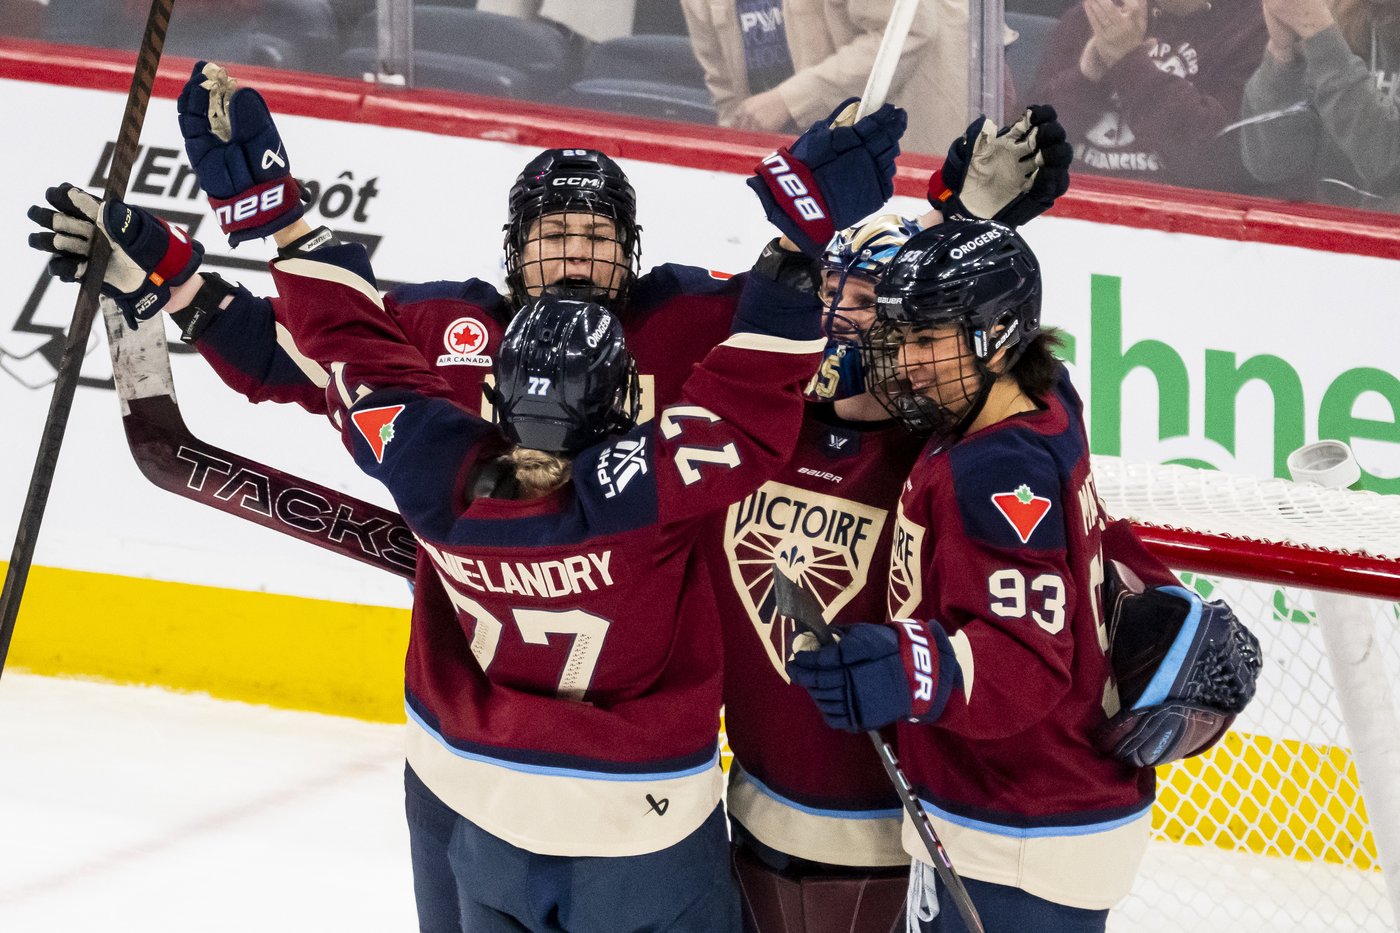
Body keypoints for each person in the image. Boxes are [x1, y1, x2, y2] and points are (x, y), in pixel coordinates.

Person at [783, 217, 1261, 931]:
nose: (906, 363)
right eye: (901, 337)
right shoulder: (1044, 398)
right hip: (1035, 812)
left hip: (1021, 831)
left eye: (926, 340)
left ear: (998, 335)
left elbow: (1023, 663)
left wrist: (901, 666)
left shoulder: (998, 470)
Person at [712, 108, 1074, 933]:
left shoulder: (949, 447)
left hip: (895, 842)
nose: (837, 315)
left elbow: (1039, 408)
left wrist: (974, 220)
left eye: (867, 299)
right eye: (830, 290)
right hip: (745, 816)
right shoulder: (751, 418)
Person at [680, 0, 982, 153]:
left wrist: (791, 100)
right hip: (804, 160)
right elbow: (725, 91)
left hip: (906, 141)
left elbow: (907, 31)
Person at [1028, 0, 1268, 190]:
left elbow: (1220, 164)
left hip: (1183, 230)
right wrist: (1087, 75)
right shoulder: (1093, 14)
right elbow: (1025, 152)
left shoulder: (1254, 28)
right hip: (1072, 212)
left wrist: (1129, 61)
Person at [1238, 0, 1400, 212]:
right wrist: (1283, 58)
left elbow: (1387, 163)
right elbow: (1271, 163)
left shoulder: (1328, 37)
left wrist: (1322, 38)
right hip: (1328, 232)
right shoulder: (1346, 17)